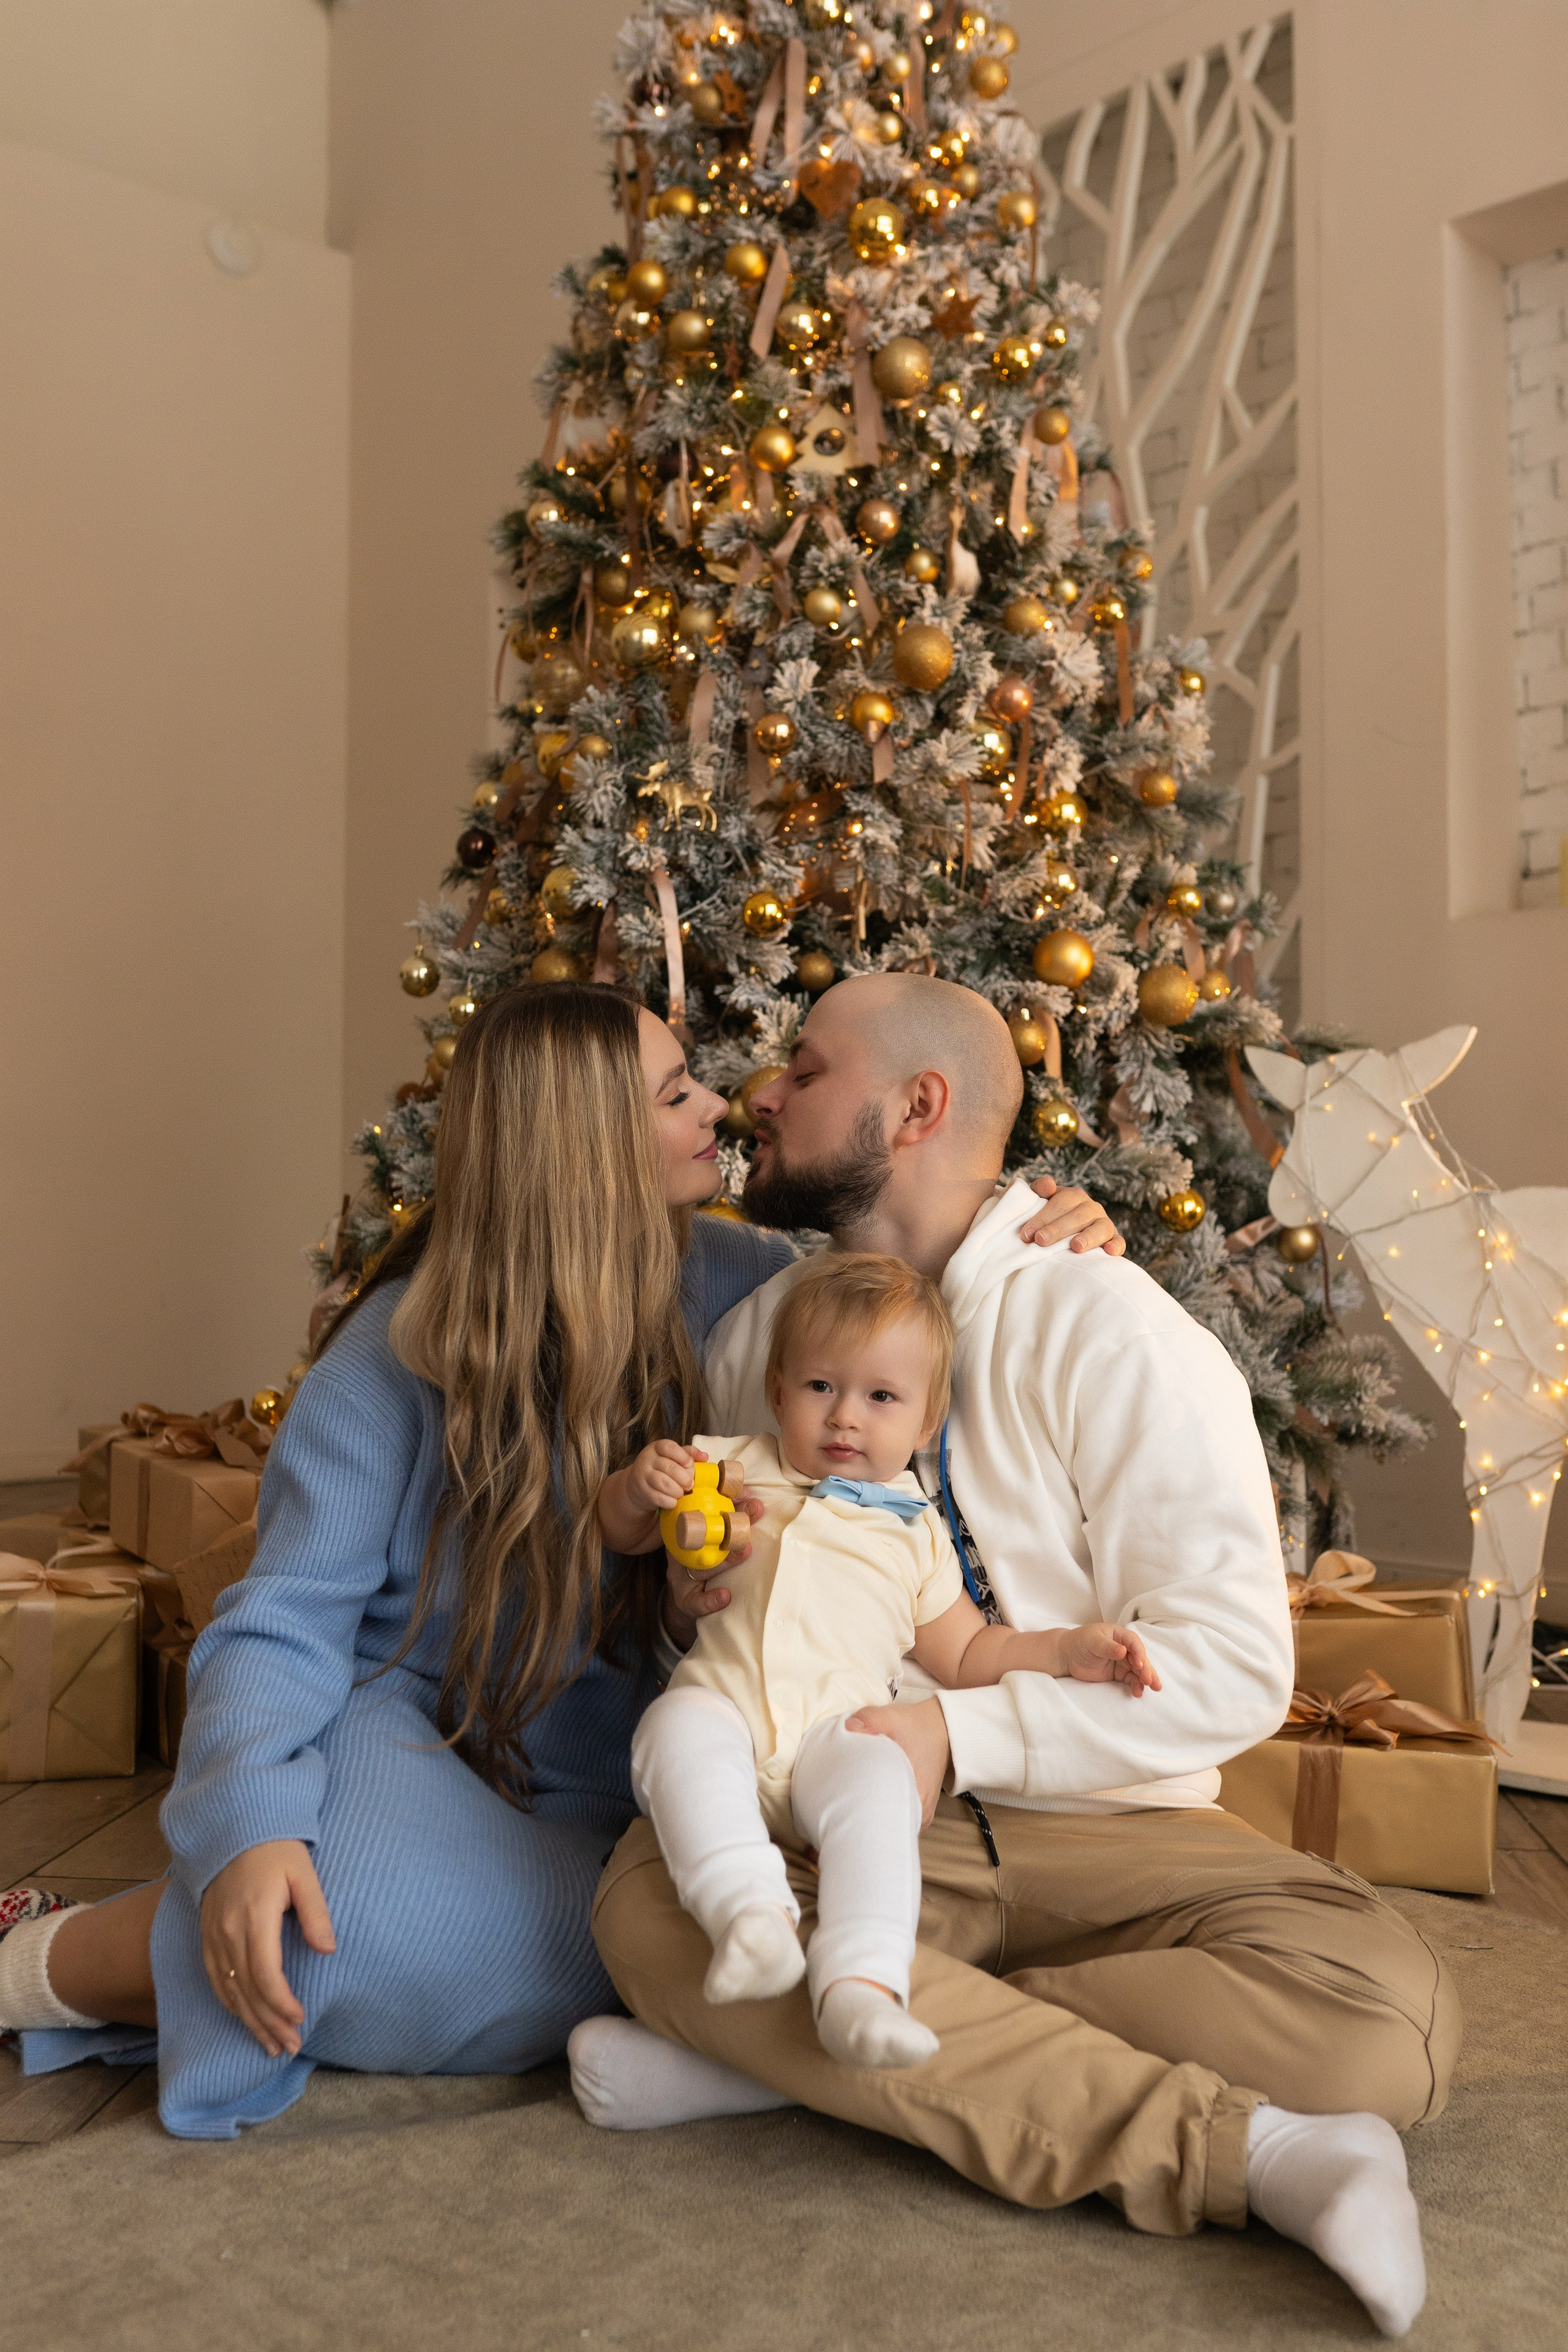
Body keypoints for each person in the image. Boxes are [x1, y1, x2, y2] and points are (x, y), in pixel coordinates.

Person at [0, 982, 1117, 2136]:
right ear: (581, 1146)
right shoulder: (396, 1356)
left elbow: (897, 1304)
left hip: (642, 1759)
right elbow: (280, 1621)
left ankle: (97, 1941)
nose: (720, 1107)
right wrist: (247, 1827)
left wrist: (1036, 1224)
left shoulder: (743, 1283)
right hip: (411, 1727)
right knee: (327, 1930)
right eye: (676, 1092)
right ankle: (38, 1959)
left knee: (648, 1952)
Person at [578, 974, 1455, 2340]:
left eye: (804, 1071)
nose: (760, 1092)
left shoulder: (1107, 1324)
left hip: (1104, 1832)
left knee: (1378, 2024)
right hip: (844, 1817)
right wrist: (701, 1592)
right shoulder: (755, 1340)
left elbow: (1225, 1667)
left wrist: (955, 1735)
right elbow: (730, 1607)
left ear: (916, 1105)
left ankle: (820, 2058)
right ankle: (1255, 2157)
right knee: (646, 1911)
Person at [608, 1252, 1158, 2073]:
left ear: (926, 1425)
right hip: (723, 1705)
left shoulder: (917, 1533)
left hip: (837, 1736)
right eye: (820, 1388)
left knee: (884, 1781)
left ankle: (861, 1983)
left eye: (881, 1398)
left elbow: (971, 1652)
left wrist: (1066, 1648)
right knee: (672, 1728)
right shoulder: (728, 1466)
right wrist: (636, 1486)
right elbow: (625, 1533)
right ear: (777, 1390)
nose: (845, 1420)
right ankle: (746, 1914)